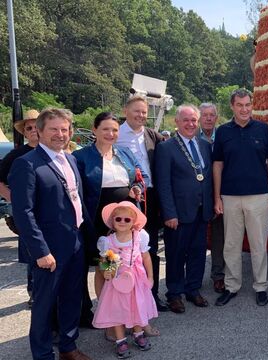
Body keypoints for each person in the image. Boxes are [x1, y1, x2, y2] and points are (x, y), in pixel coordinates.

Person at [9, 108, 92, 360]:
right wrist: (41, 251)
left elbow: (76, 201)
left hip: (75, 242)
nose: (60, 134)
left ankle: (68, 347)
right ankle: (43, 353)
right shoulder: (26, 164)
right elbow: (23, 212)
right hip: (49, 249)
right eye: (54, 129)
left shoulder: (71, 159)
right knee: (44, 304)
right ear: (40, 131)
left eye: (65, 129)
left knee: (71, 297)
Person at [73, 112, 151, 332]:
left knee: (127, 265)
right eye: (106, 129)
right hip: (98, 220)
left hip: (124, 219)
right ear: (95, 129)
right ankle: (108, 319)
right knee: (104, 268)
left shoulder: (124, 152)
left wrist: (137, 187)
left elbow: (142, 176)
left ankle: (130, 314)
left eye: (115, 130)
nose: (110, 134)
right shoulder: (82, 156)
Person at [213, 89, 268, 307]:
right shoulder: (222, 132)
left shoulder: (263, 129)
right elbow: (217, 165)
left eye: (247, 105)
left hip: (259, 195)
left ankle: (260, 286)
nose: (244, 109)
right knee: (231, 244)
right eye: (240, 105)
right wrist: (217, 197)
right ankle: (232, 286)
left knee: (258, 243)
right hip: (230, 196)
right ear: (232, 106)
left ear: (252, 106)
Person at [155, 104, 213, 313]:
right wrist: (169, 213)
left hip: (202, 210)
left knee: (198, 252)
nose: (190, 124)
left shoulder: (205, 145)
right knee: (176, 254)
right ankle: (175, 294)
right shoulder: (166, 147)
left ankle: (193, 289)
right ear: (176, 122)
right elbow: (163, 183)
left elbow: (207, 178)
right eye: (186, 120)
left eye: (194, 120)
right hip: (178, 213)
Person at [116, 96, 168, 312]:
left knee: (149, 247)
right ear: (125, 111)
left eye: (144, 112)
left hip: (151, 196)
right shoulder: (115, 134)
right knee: (123, 249)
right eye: (136, 111)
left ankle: (152, 295)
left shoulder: (152, 135)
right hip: (126, 198)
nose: (141, 116)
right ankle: (121, 300)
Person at [93, 201, 157, 358]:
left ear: (134, 222)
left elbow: (146, 257)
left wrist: (150, 276)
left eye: (127, 220)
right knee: (117, 310)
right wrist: (106, 271)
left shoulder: (139, 237)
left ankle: (138, 333)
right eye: (118, 219)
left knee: (136, 306)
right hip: (116, 283)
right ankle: (120, 340)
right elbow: (105, 262)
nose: (122, 222)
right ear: (113, 221)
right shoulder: (108, 241)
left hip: (136, 282)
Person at [0, 109, 39, 306]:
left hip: (49, 209)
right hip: (26, 210)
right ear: (24, 132)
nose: (33, 130)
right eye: (28, 127)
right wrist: (11, 197)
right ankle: (33, 292)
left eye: (35, 126)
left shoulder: (55, 151)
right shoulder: (16, 155)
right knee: (32, 251)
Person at [199, 103, 225, 293]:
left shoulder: (224, 135)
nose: (208, 118)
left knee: (219, 238)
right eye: (204, 115)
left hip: (221, 194)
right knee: (197, 239)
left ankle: (218, 276)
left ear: (217, 118)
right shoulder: (189, 136)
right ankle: (194, 278)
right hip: (197, 195)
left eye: (212, 115)